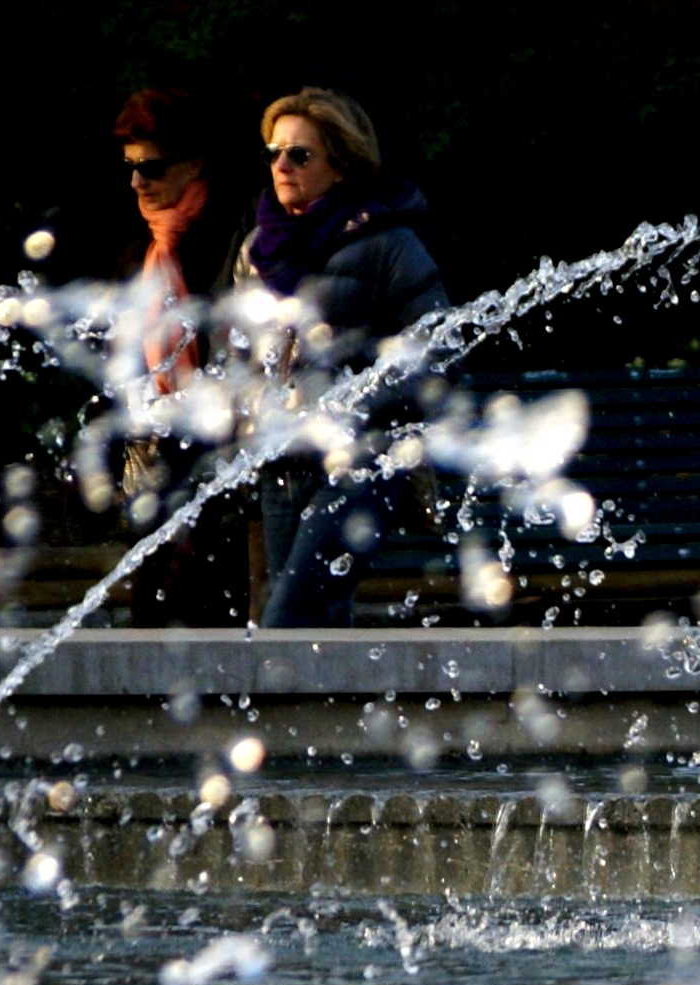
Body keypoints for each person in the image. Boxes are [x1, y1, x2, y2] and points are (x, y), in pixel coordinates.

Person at [223, 87, 449, 628]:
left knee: (289, 617)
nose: (281, 165)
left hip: (360, 460)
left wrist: (352, 405)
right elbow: (231, 348)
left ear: (342, 165)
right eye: (274, 153)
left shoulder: (390, 242)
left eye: (299, 155)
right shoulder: (259, 247)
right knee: (315, 626)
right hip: (280, 462)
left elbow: (437, 356)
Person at [111, 87, 246, 625]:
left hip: (221, 448)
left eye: (151, 167)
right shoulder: (136, 251)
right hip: (151, 449)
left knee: (212, 598)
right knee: (150, 602)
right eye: (131, 167)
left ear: (193, 165)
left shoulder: (238, 235)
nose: (136, 181)